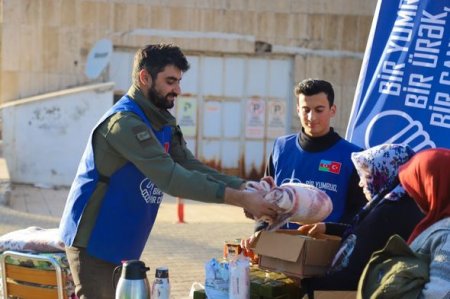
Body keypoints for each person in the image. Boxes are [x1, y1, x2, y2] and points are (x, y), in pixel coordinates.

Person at [58, 43, 279, 299]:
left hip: (124, 241)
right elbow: (171, 178)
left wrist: (244, 186)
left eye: (179, 81)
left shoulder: (160, 121)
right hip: (95, 243)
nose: (178, 90)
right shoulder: (125, 123)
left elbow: (189, 165)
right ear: (145, 78)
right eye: (170, 81)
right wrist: (239, 199)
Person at [298, 144, 424, 293]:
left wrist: (304, 285)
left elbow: (353, 272)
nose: (361, 183)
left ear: (385, 175)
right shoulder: (407, 204)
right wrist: (328, 228)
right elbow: (368, 236)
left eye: (368, 176)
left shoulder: (386, 213)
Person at [254, 78, 366, 231]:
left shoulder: (353, 156)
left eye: (319, 110)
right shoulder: (281, 147)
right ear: (298, 110)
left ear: (332, 110)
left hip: (327, 247)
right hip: (280, 244)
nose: (311, 117)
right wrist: (259, 232)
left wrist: (328, 229)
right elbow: (265, 199)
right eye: (306, 109)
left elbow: (358, 213)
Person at [398, 148, 450, 298]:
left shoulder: (447, 234)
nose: (410, 193)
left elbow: (438, 294)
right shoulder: (439, 225)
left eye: (416, 184)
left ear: (433, 185)